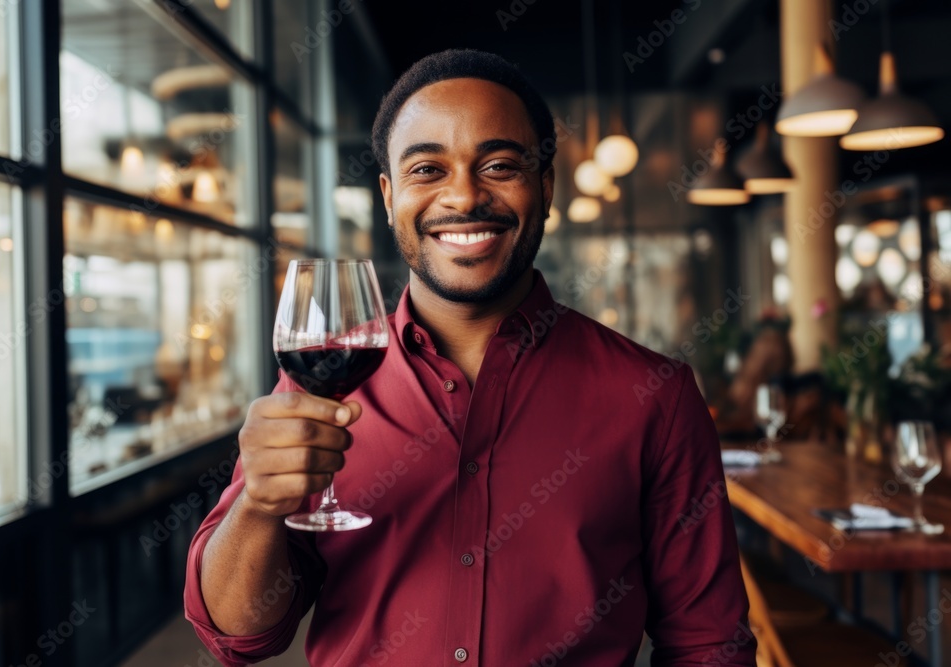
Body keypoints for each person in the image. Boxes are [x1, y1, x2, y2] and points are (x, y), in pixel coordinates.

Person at [185, 49, 756, 666]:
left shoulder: (656, 396)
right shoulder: (315, 393)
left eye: (500, 164)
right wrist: (260, 507)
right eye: (427, 168)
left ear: (546, 185)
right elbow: (238, 635)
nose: (463, 195)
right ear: (388, 194)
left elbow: (708, 644)